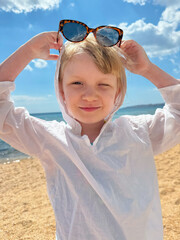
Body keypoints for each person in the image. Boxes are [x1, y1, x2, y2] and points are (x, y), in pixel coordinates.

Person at [0, 28, 179, 240]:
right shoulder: (49, 138)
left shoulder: (139, 132)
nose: (90, 95)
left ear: (118, 91)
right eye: (77, 83)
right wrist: (28, 51)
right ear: (61, 89)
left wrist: (148, 69)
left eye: (103, 84)